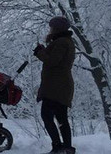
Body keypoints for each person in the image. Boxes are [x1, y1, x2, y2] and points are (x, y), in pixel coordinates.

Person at [34, 15, 76, 154]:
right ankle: (66, 147)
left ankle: (58, 147)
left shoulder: (61, 42)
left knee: (47, 116)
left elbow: (53, 61)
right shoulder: (65, 41)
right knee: (61, 117)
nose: (50, 29)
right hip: (60, 86)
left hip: (56, 87)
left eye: (52, 27)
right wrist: (43, 51)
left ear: (57, 28)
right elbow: (56, 59)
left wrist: (40, 53)